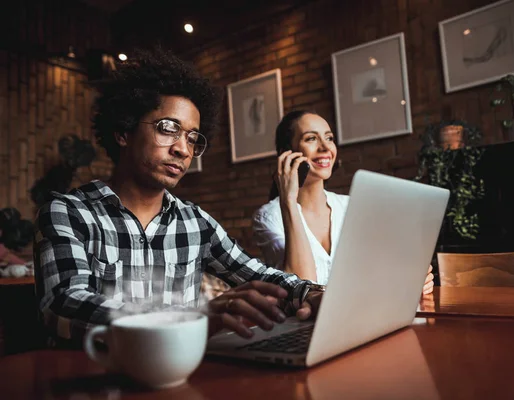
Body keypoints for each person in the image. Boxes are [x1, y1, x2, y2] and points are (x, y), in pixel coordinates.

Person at [33, 48, 322, 347]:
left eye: (192, 137)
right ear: (123, 131)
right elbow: (63, 306)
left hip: (180, 381)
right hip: (92, 380)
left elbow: (258, 275)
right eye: (168, 129)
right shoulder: (67, 212)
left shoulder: (194, 221)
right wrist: (188, 320)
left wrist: (311, 294)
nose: (183, 149)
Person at [252, 110, 435, 293]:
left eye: (329, 138)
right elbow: (303, 287)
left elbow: (377, 271)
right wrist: (289, 202)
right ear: (287, 153)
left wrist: (411, 277)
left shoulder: (351, 206)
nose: (325, 148)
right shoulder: (270, 216)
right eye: (311, 139)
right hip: (302, 320)